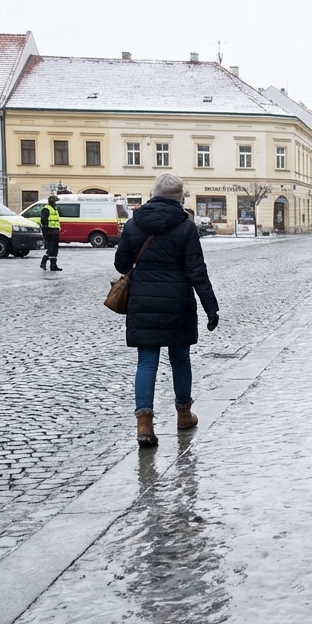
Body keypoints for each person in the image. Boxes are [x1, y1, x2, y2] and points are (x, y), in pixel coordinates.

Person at [115, 173, 221, 447]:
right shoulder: (186, 226)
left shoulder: (134, 224)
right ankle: (184, 415)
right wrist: (211, 307)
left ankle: (144, 425)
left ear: (153, 193)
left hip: (143, 300)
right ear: (179, 197)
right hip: (177, 301)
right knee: (180, 360)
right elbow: (197, 270)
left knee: (147, 362)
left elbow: (121, 264)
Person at [39, 194, 62, 271]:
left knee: (55, 249)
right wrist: (45, 231)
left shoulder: (55, 209)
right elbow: (43, 221)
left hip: (55, 231)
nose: (56, 203)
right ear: (52, 201)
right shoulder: (46, 209)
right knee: (51, 248)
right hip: (49, 231)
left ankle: (53, 265)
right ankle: (44, 262)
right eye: (55, 201)